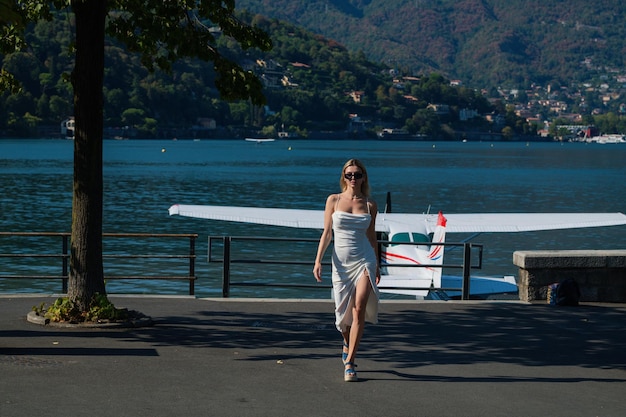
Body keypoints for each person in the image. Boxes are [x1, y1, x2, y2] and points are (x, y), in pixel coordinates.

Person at [313, 158, 380, 382]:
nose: (353, 178)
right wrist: (318, 260)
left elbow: (372, 237)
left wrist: (378, 263)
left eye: (357, 175)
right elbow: (327, 233)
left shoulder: (370, 205)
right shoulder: (333, 200)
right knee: (342, 317)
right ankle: (346, 340)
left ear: (363, 178)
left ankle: (350, 362)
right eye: (349, 174)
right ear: (344, 177)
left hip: (364, 261)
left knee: (358, 309)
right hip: (340, 264)